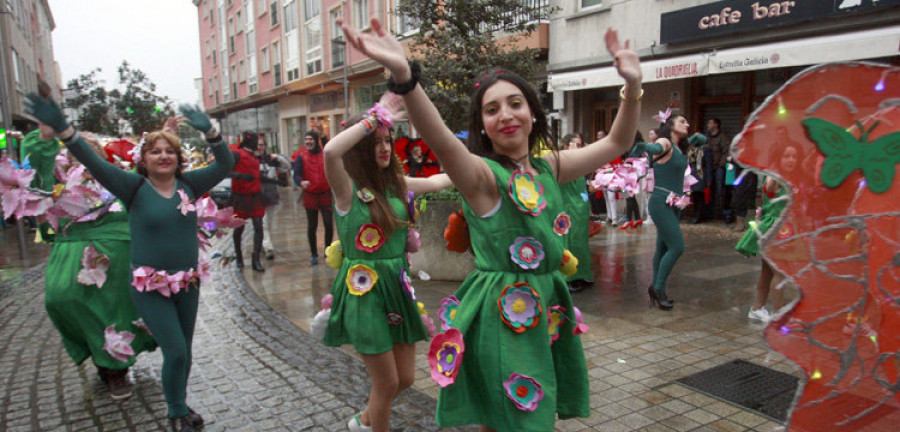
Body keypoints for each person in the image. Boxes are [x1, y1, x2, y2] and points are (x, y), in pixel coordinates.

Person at [339, 17, 642, 431]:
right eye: (492, 109)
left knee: (507, 416)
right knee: (517, 417)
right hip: (502, 312)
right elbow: (443, 140)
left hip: (546, 304)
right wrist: (407, 79)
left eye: (515, 103)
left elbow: (617, 143)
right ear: (482, 124)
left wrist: (632, 89)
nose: (506, 115)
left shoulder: (549, 167)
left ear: (533, 114)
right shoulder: (482, 176)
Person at [23, 92, 234, 432]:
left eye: (169, 150)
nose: (163, 155)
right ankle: (174, 413)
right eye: (155, 150)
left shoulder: (189, 185)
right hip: (150, 288)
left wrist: (211, 132)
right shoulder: (134, 188)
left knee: (184, 352)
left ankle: (180, 408)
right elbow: (94, 163)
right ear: (143, 158)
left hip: (187, 284)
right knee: (176, 351)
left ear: (178, 157)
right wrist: (65, 130)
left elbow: (226, 165)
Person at [321, 93, 452, 432]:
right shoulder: (346, 189)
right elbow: (331, 151)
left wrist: (480, 164)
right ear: (360, 148)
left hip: (397, 288)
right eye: (374, 142)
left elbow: (439, 181)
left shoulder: (396, 184)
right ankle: (371, 424)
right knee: (387, 384)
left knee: (406, 378)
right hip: (364, 294)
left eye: (387, 140)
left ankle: (362, 422)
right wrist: (374, 119)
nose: (383, 147)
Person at [39, 133, 157, 400]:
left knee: (114, 312)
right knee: (60, 298)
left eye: (89, 157)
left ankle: (116, 369)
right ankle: (98, 354)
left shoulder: (116, 181)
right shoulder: (60, 185)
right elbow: (42, 210)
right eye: (76, 158)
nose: (83, 163)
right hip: (72, 258)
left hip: (119, 262)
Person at [736, 140, 802, 322]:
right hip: (774, 231)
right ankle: (778, 315)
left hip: (784, 230)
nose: (790, 160)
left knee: (767, 273)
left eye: (794, 156)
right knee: (780, 273)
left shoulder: (791, 178)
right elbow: (770, 187)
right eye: (786, 156)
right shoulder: (776, 178)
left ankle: (757, 308)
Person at [631, 114, 690, 310]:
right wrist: (648, 147)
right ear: (671, 125)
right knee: (677, 246)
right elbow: (657, 148)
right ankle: (659, 288)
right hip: (661, 202)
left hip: (674, 203)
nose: (687, 124)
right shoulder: (665, 142)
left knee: (663, 248)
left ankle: (654, 286)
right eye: (682, 121)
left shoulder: (680, 147)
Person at [559, 133, 594, 293]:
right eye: (575, 144)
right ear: (566, 145)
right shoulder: (560, 161)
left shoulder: (581, 161)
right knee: (570, 241)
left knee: (581, 240)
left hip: (581, 206)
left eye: (581, 145)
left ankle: (583, 272)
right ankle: (569, 277)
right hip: (568, 205)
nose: (579, 148)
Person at [293, 130, 333, 265]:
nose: (308, 142)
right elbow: (296, 175)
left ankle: (328, 252)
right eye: (306, 139)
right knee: (312, 226)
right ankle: (314, 254)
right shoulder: (301, 156)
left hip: (325, 194)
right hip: (310, 195)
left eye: (310, 139)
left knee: (328, 224)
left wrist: (324, 136)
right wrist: (301, 182)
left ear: (316, 140)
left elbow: (332, 148)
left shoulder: (325, 154)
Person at [230, 131, 266, 272]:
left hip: (255, 196)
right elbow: (225, 171)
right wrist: (240, 176)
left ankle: (255, 259)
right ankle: (239, 257)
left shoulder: (256, 156)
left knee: (259, 227)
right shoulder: (237, 154)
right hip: (241, 197)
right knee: (239, 228)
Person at [257, 139, 291, 259]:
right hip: (257, 197)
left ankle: (262, 243)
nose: (259, 147)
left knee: (268, 223)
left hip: (270, 196)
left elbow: (287, 166)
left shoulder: (271, 160)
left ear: (265, 146)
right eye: (257, 145)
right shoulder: (252, 160)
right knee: (264, 223)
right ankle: (268, 248)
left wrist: (277, 157)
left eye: (261, 145)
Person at [706, 118, 733, 223]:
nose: (708, 125)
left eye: (710, 123)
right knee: (708, 191)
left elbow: (726, 152)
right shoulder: (707, 138)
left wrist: (720, 165)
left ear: (716, 125)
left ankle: (727, 214)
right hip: (708, 169)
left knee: (722, 190)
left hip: (719, 168)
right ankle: (710, 213)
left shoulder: (723, 138)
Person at [686, 132, 712, 224]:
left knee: (700, 196)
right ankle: (695, 215)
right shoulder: (691, 150)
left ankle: (698, 216)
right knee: (694, 196)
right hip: (692, 174)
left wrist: (709, 180)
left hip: (701, 175)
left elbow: (708, 165)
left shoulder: (706, 150)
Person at [620, 132, 644, 229]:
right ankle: (637, 218)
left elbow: (627, 158)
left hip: (631, 172)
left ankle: (628, 219)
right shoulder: (634, 146)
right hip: (632, 172)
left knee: (628, 195)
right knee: (631, 196)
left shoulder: (635, 147)